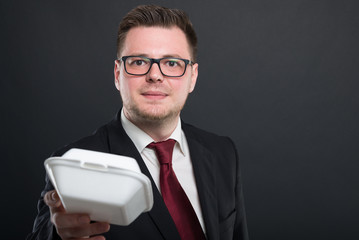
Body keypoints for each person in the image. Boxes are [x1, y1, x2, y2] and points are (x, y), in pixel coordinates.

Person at [27, 5, 249, 240]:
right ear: (117, 74)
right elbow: (51, 228)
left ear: (192, 77)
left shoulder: (223, 152)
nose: (155, 75)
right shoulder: (73, 163)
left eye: (172, 63)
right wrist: (58, 234)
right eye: (139, 62)